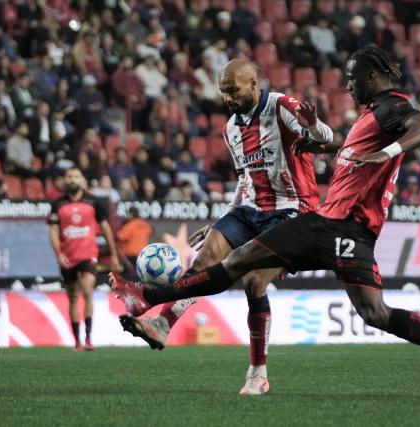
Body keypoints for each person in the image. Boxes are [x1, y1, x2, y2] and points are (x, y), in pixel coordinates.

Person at [110, 47, 420, 399]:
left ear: (372, 78)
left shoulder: (388, 106)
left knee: (369, 312)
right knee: (242, 264)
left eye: (352, 78)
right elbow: (337, 147)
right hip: (330, 224)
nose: (347, 85)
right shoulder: (365, 118)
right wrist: (319, 145)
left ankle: (149, 299)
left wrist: (383, 153)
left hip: (339, 224)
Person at [118, 58, 333, 395]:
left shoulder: (281, 106)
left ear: (253, 83)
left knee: (253, 280)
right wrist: (223, 218)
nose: (228, 98)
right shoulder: (231, 127)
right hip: (249, 208)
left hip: (291, 209)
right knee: (203, 261)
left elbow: (326, 136)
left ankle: (257, 373)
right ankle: (161, 324)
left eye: (233, 90)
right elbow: (244, 177)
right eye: (223, 92)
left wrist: (315, 125)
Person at [48, 167, 121, 351]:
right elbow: (53, 231)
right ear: (65, 180)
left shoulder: (94, 201)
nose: (73, 179)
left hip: (88, 255)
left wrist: (113, 254)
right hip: (68, 257)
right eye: (69, 176)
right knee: (72, 297)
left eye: (76, 176)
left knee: (87, 291)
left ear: (82, 180)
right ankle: (77, 341)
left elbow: (105, 228)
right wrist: (59, 254)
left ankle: (88, 338)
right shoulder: (57, 204)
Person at [116, 207, 154, 275]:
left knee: (129, 276)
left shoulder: (130, 225)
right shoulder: (144, 224)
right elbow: (151, 231)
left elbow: (120, 236)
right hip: (143, 254)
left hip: (131, 255)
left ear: (131, 214)